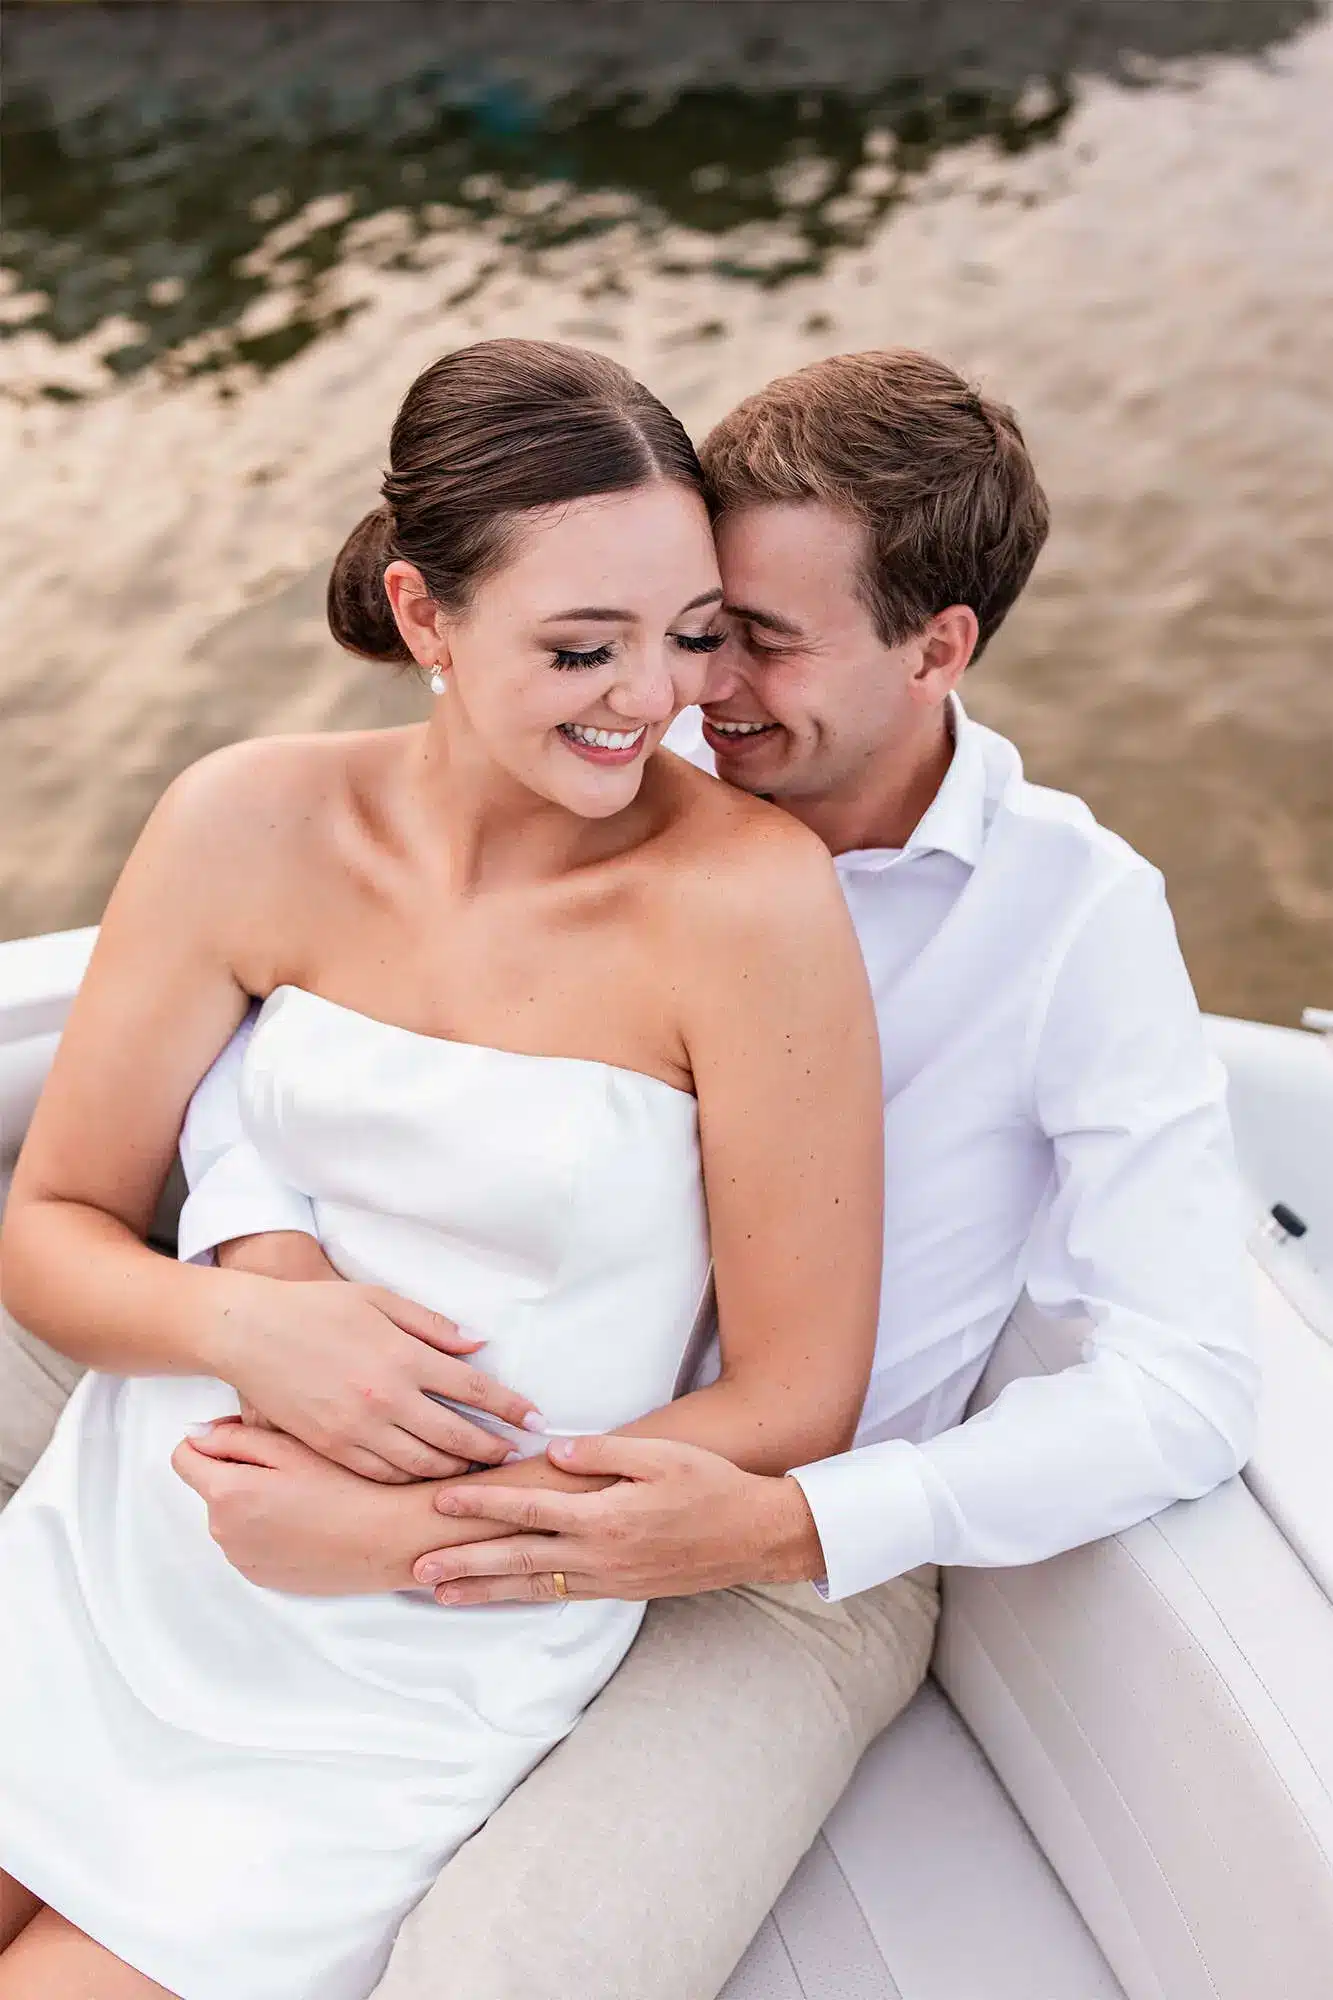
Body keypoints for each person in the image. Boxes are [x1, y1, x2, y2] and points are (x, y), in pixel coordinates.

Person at [0, 347, 1257, 2000]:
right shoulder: (316, 813)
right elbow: (295, 1083)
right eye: (676, 623)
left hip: (751, 1536)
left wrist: (799, 1517)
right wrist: (255, 1292)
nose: (685, 694)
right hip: (273, 1445)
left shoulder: (1011, 914)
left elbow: (1162, 1379)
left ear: (937, 649)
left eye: (743, 638)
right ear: (434, 616)